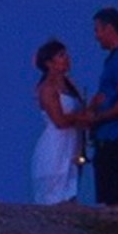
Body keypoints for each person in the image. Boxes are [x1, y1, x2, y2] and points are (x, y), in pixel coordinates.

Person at [80, 7, 118, 207]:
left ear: (109, 29)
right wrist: (90, 109)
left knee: (114, 199)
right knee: (107, 198)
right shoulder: (114, 60)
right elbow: (105, 94)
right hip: (108, 139)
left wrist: (98, 119)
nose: (96, 36)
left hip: (116, 138)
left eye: (97, 30)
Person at [29, 38, 88, 204]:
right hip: (56, 148)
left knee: (70, 195)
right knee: (55, 199)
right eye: (61, 55)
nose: (67, 58)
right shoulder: (47, 88)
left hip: (71, 148)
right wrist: (81, 118)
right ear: (49, 63)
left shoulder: (69, 84)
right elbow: (59, 121)